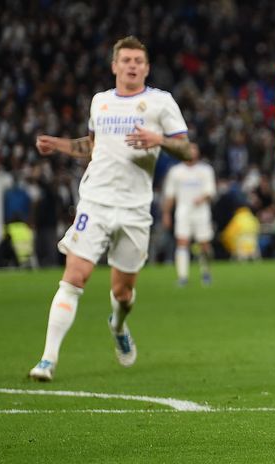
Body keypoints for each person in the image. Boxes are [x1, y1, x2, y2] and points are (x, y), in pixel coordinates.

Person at [28, 36, 191, 381]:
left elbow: (188, 151)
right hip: (95, 202)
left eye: (138, 61)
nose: (132, 65)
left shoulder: (161, 103)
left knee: (122, 291)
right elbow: (92, 145)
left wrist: (158, 140)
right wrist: (58, 145)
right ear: (114, 65)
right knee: (74, 277)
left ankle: (117, 324)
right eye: (126, 60)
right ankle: (47, 359)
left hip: (134, 210)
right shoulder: (100, 102)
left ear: (146, 68)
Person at [162, 143, 217, 286]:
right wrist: (166, 213)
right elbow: (170, 195)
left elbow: (210, 192)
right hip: (183, 211)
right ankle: (182, 276)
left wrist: (202, 198)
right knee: (182, 242)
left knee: (204, 244)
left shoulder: (205, 170)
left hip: (201, 212)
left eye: (194, 149)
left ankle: (206, 273)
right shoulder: (176, 171)